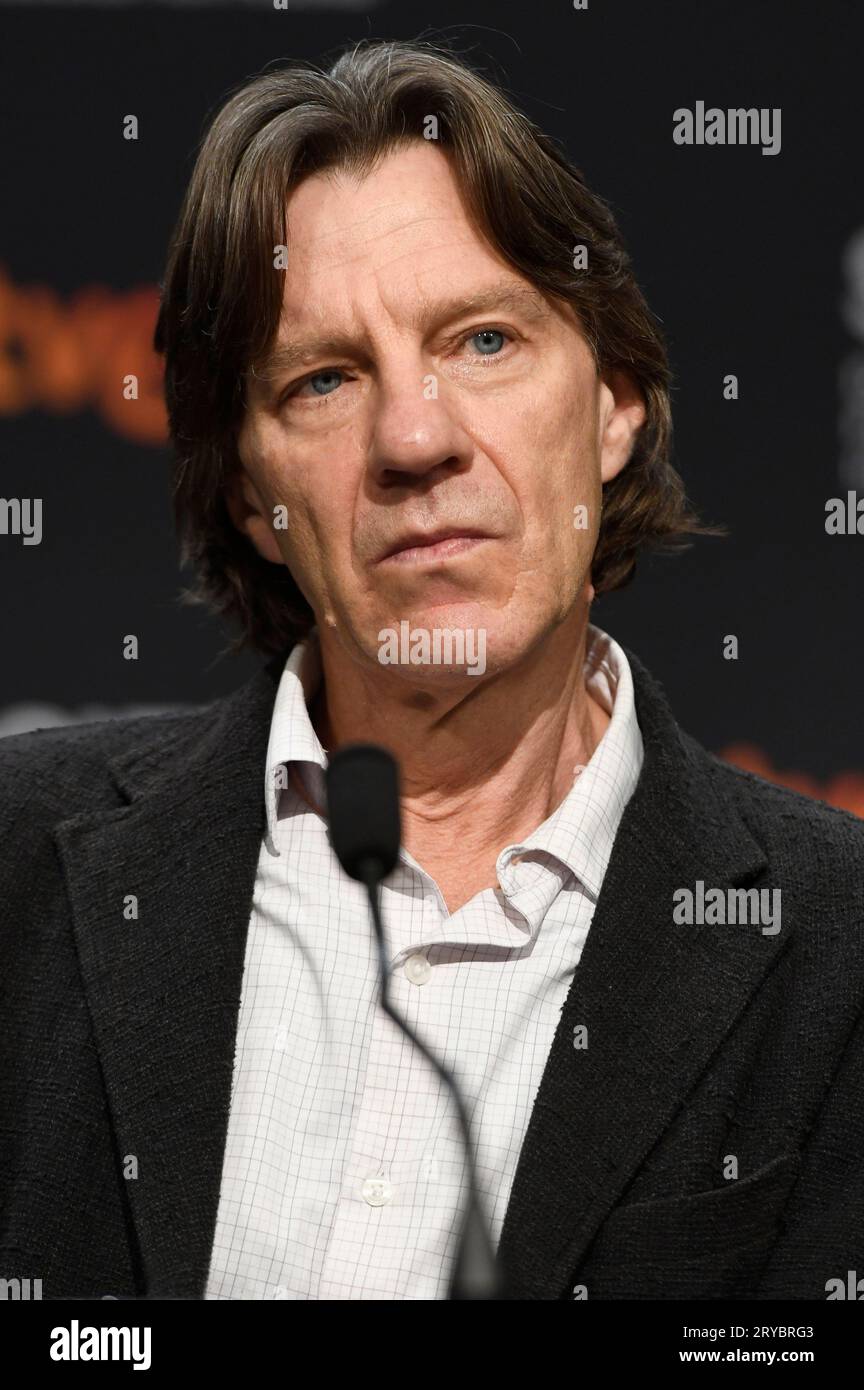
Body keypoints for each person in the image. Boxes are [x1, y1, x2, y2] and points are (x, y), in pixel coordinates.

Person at [2, 38, 862, 1302]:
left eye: (483, 343)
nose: (413, 437)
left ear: (617, 399)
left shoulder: (836, 950)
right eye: (326, 379)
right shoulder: (20, 863)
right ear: (249, 492)